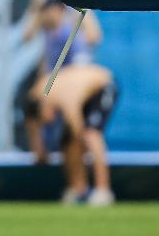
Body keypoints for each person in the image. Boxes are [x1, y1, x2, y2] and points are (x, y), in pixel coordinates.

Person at [21, 0, 102, 171]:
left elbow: (93, 40)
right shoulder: (49, 33)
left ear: (59, 10)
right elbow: (26, 36)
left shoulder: (69, 32)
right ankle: (42, 159)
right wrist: (35, 7)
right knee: (34, 117)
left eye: (48, 10)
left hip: (70, 92)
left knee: (78, 135)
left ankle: (85, 176)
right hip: (55, 92)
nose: (45, 15)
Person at [41, 64, 119, 207]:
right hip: (83, 93)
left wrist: (83, 151)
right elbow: (37, 141)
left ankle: (103, 191)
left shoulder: (64, 97)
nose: (49, 123)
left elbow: (77, 129)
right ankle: (78, 190)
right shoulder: (35, 98)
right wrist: (41, 154)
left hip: (104, 85)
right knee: (68, 140)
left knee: (91, 134)